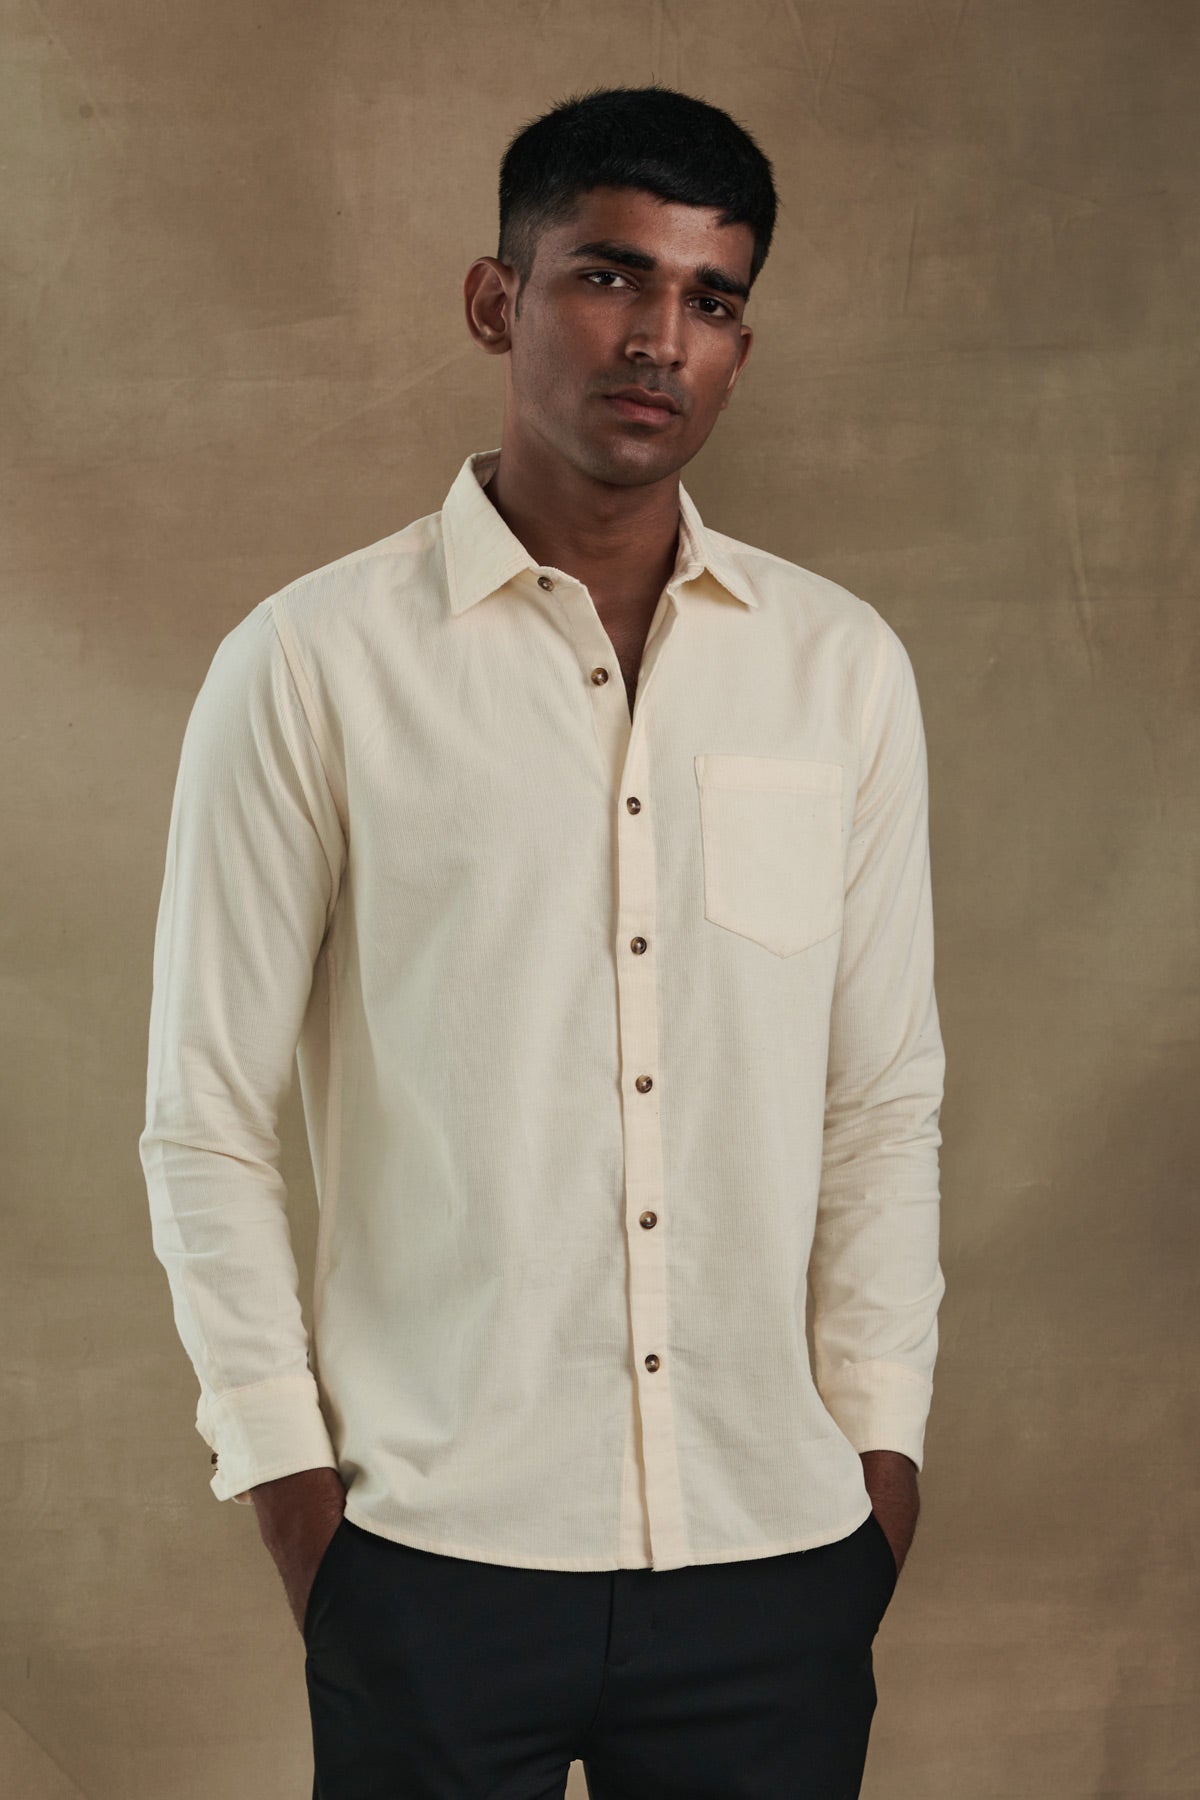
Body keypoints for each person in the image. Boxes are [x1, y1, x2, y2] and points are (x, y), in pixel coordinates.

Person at [139, 81, 946, 1800]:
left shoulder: (841, 671)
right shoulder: (312, 667)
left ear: (740, 345)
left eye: (710, 298)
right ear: (496, 301)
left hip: (776, 1554)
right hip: (430, 1558)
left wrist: (880, 1457)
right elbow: (202, 1118)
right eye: (609, 275)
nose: (658, 338)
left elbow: (881, 1099)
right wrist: (296, 1501)